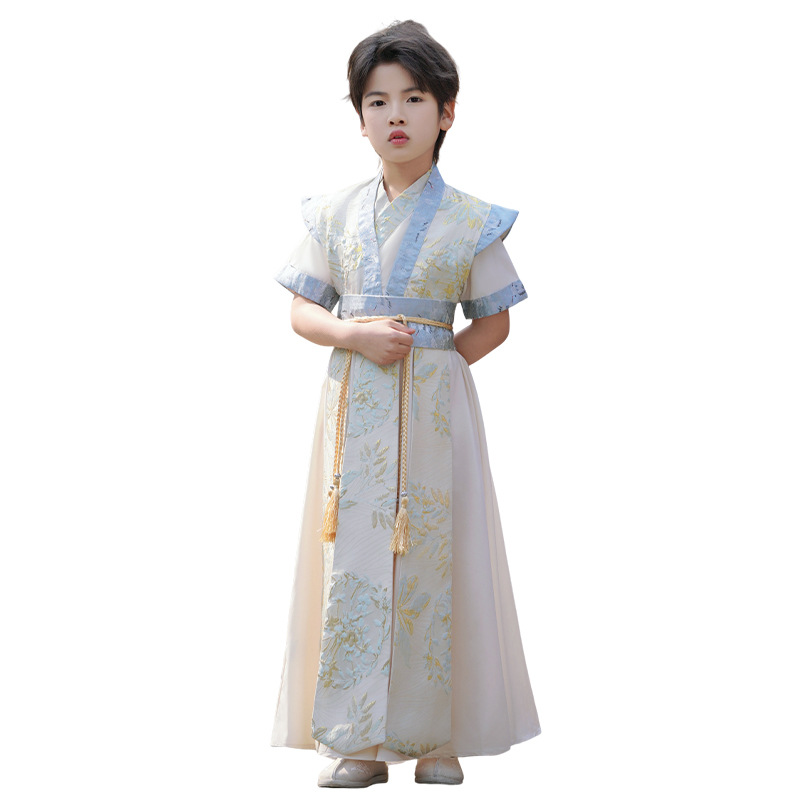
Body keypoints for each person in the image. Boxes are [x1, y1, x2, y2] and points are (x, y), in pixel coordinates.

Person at [271, 19, 541, 788]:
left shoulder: (473, 221)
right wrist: (353, 336)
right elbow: (302, 311)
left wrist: (436, 369)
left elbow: (494, 320)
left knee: (440, 556)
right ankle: (355, 740)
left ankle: (437, 739)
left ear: (446, 112)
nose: (396, 115)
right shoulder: (332, 215)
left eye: (414, 99)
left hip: (435, 419)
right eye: (378, 100)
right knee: (352, 560)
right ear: (359, 118)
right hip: (355, 410)